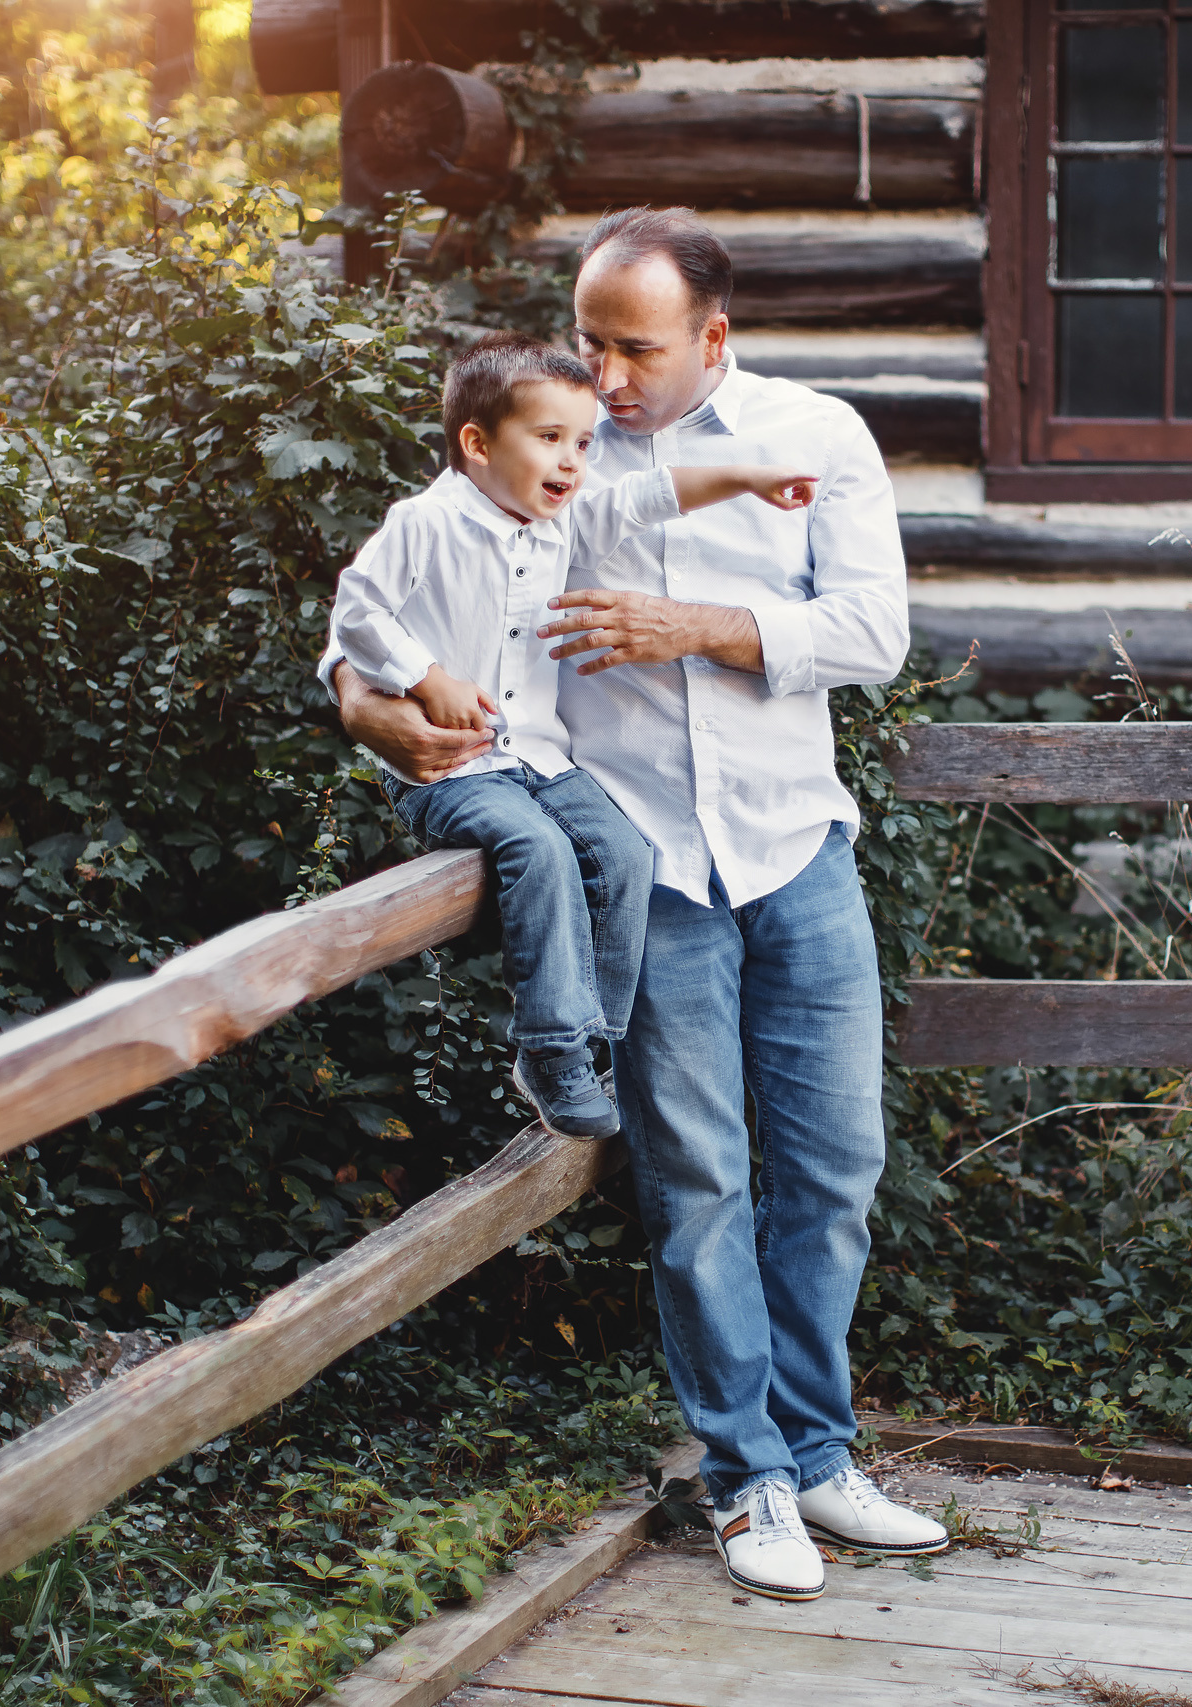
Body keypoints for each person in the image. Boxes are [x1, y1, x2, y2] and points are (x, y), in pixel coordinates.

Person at [329, 208, 951, 1603]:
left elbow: (874, 634)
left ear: (714, 338)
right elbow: (377, 616)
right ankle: (750, 1479)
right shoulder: (547, 442)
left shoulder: (812, 436)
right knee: (701, 1186)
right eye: (591, 339)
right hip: (650, 867)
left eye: (634, 348)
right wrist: (384, 717)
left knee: (837, 1166)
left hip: (798, 845)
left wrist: (702, 630)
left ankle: (823, 1449)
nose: (603, 376)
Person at [318, 331, 818, 1140]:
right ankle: (551, 1047)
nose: (573, 462)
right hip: (456, 770)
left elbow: (650, 494)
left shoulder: (562, 522)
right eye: (549, 439)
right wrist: (423, 678)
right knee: (540, 854)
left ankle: (596, 1040)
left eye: (583, 443)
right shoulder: (426, 523)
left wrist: (751, 476)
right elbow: (358, 613)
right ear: (477, 444)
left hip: (541, 754)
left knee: (626, 854)